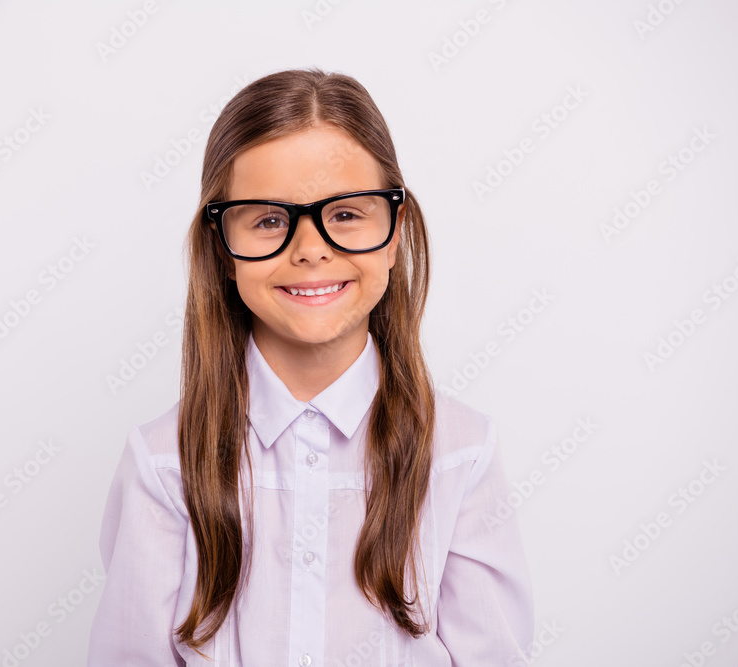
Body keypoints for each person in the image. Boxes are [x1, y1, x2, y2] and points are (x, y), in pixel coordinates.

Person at [86, 67, 534, 666]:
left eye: (346, 213)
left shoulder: (460, 454)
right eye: (269, 219)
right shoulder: (163, 464)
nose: (311, 248)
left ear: (395, 231)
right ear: (223, 248)